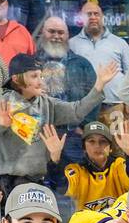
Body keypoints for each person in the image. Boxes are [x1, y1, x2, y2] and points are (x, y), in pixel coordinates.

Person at [0, 52, 117, 193]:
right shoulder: (2, 104)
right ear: (16, 79)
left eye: (41, 76)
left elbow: (76, 110)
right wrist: (1, 126)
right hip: (7, 181)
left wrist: (99, 86)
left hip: (37, 179)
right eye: (34, 76)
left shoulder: (47, 104)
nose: (40, 82)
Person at [34, 15, 99, 164]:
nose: (56, 36)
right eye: (51, 31)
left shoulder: (82, 64)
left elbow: (94, 96)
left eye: (61, 32)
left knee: (73, 177)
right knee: (42, 177)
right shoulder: (32, 63)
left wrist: (84, 127)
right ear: (43, 33)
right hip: (39, 133)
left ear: (68, 35)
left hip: (73, 134)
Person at [69, 0, 129, 115]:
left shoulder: (119, 42)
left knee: (118, 134)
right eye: (88, 14)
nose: (93, 17)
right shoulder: (72, 44)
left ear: (102, 17)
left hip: (115, 105)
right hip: (84, 106)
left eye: (96, 14)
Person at [52, 120, 129, 209]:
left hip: (119, 221)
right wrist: (55, 157)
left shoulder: (118, 165)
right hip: (89, 222)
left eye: (103, 141)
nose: (97, 146)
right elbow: (60, 187)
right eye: (91, 141)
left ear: (111, 148)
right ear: (84, 148)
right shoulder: (77, 171)